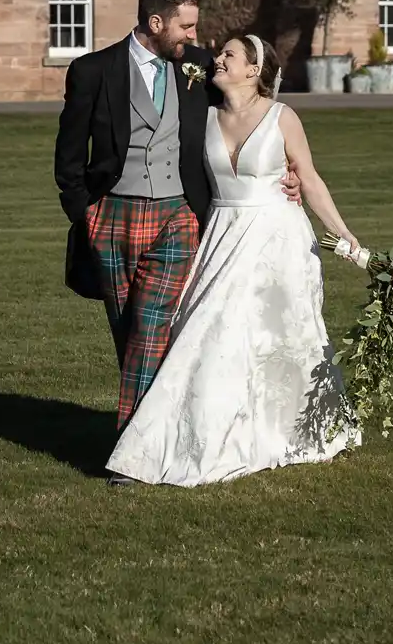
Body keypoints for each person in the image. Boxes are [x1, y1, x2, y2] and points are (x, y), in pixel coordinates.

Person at [52, 0, 299, 484]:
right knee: (128, 331)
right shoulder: (92, 71)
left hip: (178, 217)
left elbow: (250, 103)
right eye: (185, 26)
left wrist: (283, 170)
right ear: (156, 21)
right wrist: (85, 213)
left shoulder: (198, 67)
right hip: (112, 216)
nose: (195, 37)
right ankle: (149, 431)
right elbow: (69, 155)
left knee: (152, 330)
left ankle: (131, 458)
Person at [104, 32, 361, 486]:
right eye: (219, 53)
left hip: (278, 239)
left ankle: (290, 429)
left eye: (229, 55)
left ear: (254, 70)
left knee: (279, 337)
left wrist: (345, 235)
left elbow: (310, 178)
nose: (218, 59)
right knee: (210, 333)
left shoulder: (283, 117)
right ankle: (183, 439)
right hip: (222, 235)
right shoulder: (201, 117)